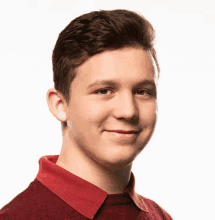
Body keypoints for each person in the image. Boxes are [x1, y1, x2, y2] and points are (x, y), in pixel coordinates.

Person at [0, 9, 173, 220]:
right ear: (60, 105)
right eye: (104, 91)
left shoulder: (159, 216)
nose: (128, 111)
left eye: (142, 91)